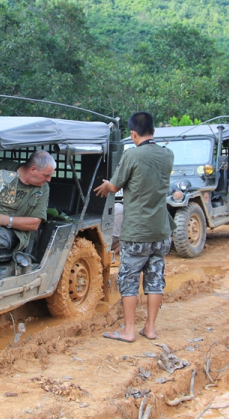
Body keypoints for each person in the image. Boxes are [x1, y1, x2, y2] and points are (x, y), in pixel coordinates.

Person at [95, 112, 174, 343]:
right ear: (153, 131)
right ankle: (150, 328)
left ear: (132, 133)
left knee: (129, 280)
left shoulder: (132, 155)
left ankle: (129, 331)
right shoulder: (167, 155)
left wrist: (106, 185)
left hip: (137, 231)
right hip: (161, 230)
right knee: (155, 278)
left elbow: (116, 184)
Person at [0, 150, 56, 271]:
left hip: (13, 232)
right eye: (46, 175)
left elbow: (34, 223)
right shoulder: (2, 169)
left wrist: (6, 220)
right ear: (33, 169)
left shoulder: (43, 188)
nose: (49, 179)